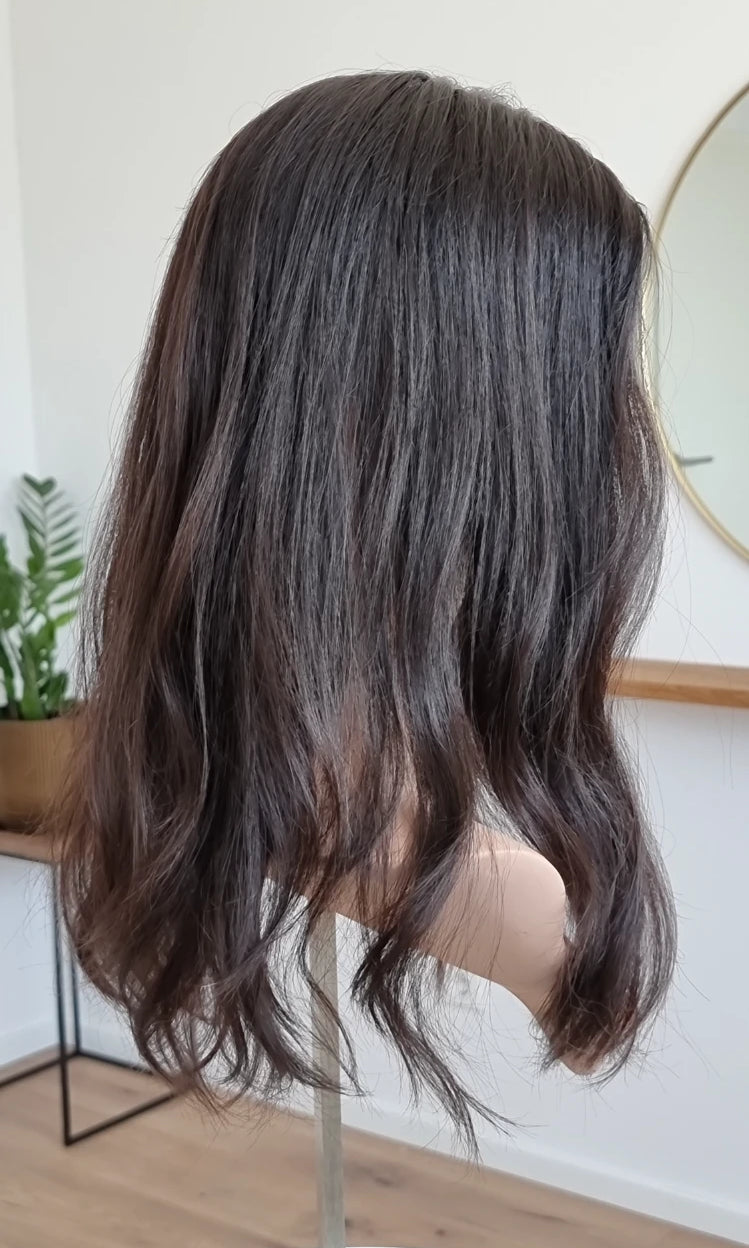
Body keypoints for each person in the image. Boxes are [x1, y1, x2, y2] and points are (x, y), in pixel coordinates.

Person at [56, 70, 675, 1146]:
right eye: (585, 382)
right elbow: (588, 1011)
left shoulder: (210, 772)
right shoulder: (505, 899)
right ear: (478, 416)